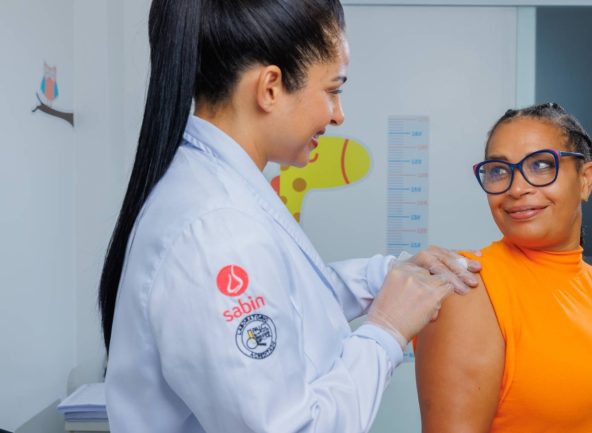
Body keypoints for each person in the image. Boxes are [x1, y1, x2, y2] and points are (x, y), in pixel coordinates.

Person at [98, 1, 480, 432]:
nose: (338, 115)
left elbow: (287, 304)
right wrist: (386, 332)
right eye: (332, 90)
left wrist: (384, 277)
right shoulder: (217, 229)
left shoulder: (219, 189)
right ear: (270, 88)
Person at [415, 103, 592, 433]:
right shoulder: (468, 288)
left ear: (585, 180)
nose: (516, 188)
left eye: (540, 165)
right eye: (499, 171)